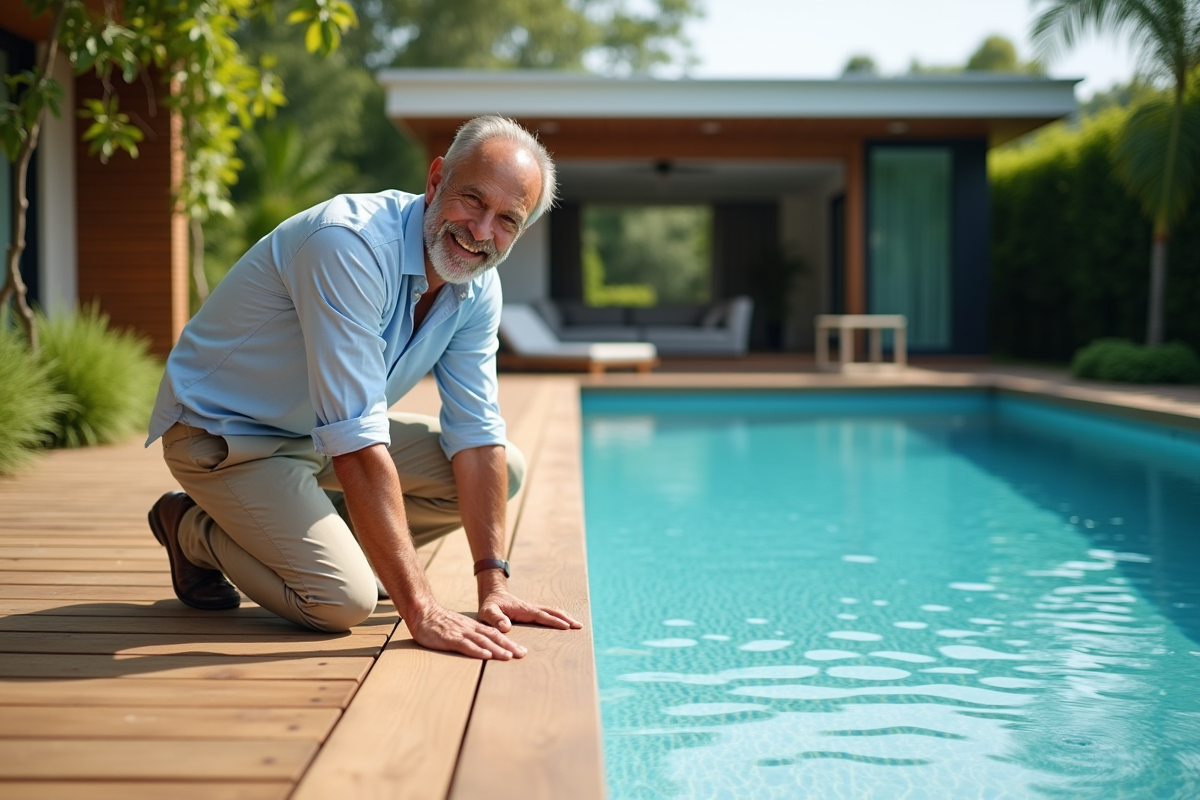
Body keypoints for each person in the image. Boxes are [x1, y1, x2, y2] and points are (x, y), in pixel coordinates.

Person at [144, 115, 581, 661]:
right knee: (339, 600)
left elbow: (476, 433)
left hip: (315, 436)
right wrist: (421, 610)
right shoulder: (348, 245)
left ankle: (317, 536)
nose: (480, 230)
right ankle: (189, 526)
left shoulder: (477, 285)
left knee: (505, 468)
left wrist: (492, 584)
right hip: (229, 436)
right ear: (436, 179)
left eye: (507, 220)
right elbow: (354, 443)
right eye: (472, 199)